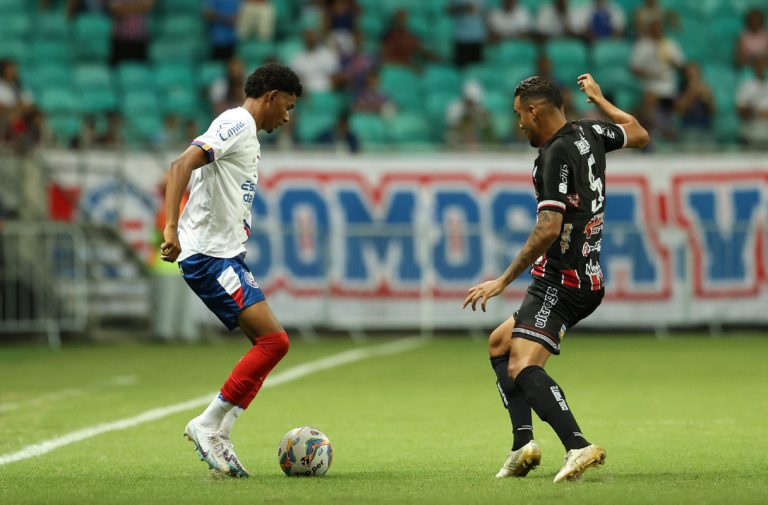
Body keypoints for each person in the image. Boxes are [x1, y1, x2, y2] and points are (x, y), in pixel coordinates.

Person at [462, 74, 649, 483]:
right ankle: (522, 445)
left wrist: (502, 280)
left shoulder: (553, 156)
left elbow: (548, 228)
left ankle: (577, 445)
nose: (518, 125)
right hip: (578, 274)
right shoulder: (587, 130)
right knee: (499, 343)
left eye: (519, 116)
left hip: (564, 281)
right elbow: (638, 132)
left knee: (522, 365)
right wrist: (601, 99)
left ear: (534, 110)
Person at [160, 63, 302, 477]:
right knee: (274, 343)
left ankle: (220, 429)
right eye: (288, 107)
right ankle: (208, 424)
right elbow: (180, 165)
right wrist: (171, 226)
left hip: (225, 255)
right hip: (208, 256)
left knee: (269, 345)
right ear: (272, 96)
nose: (288, 118)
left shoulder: (247, 134)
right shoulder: (236, 122)